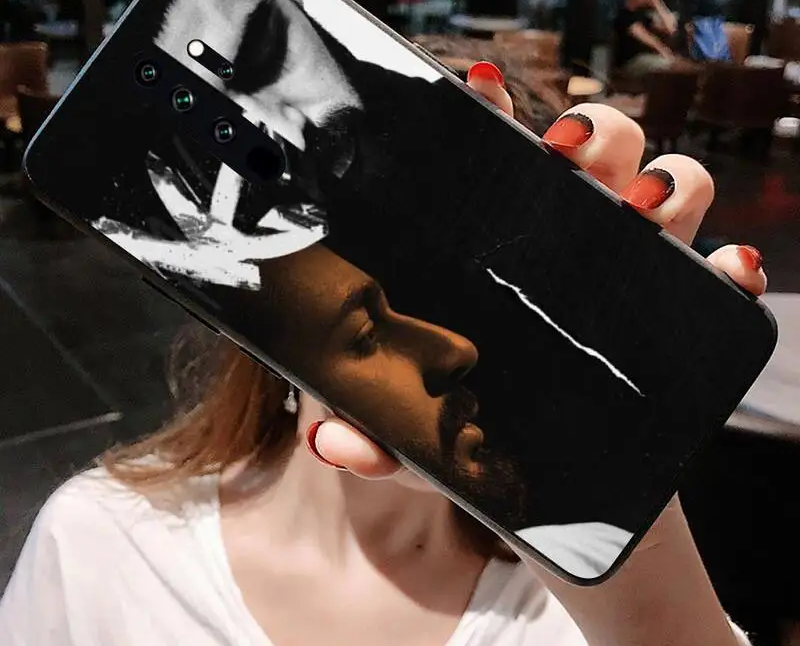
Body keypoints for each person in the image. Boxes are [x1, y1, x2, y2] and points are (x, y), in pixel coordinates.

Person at [0, 91, 763, 644]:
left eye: (471, 302)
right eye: (368, 325)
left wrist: (634, 558)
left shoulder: (577, 613)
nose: (456, 348)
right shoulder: (101, 547)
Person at [613, 0, 680, 78]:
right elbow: (646, 37)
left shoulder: (642, 15)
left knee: (678, 64)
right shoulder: (624, 15)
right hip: (631, 62)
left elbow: (670, 29)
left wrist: (658, 4)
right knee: (670, 65)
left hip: (647, 58)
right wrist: (664, 51)